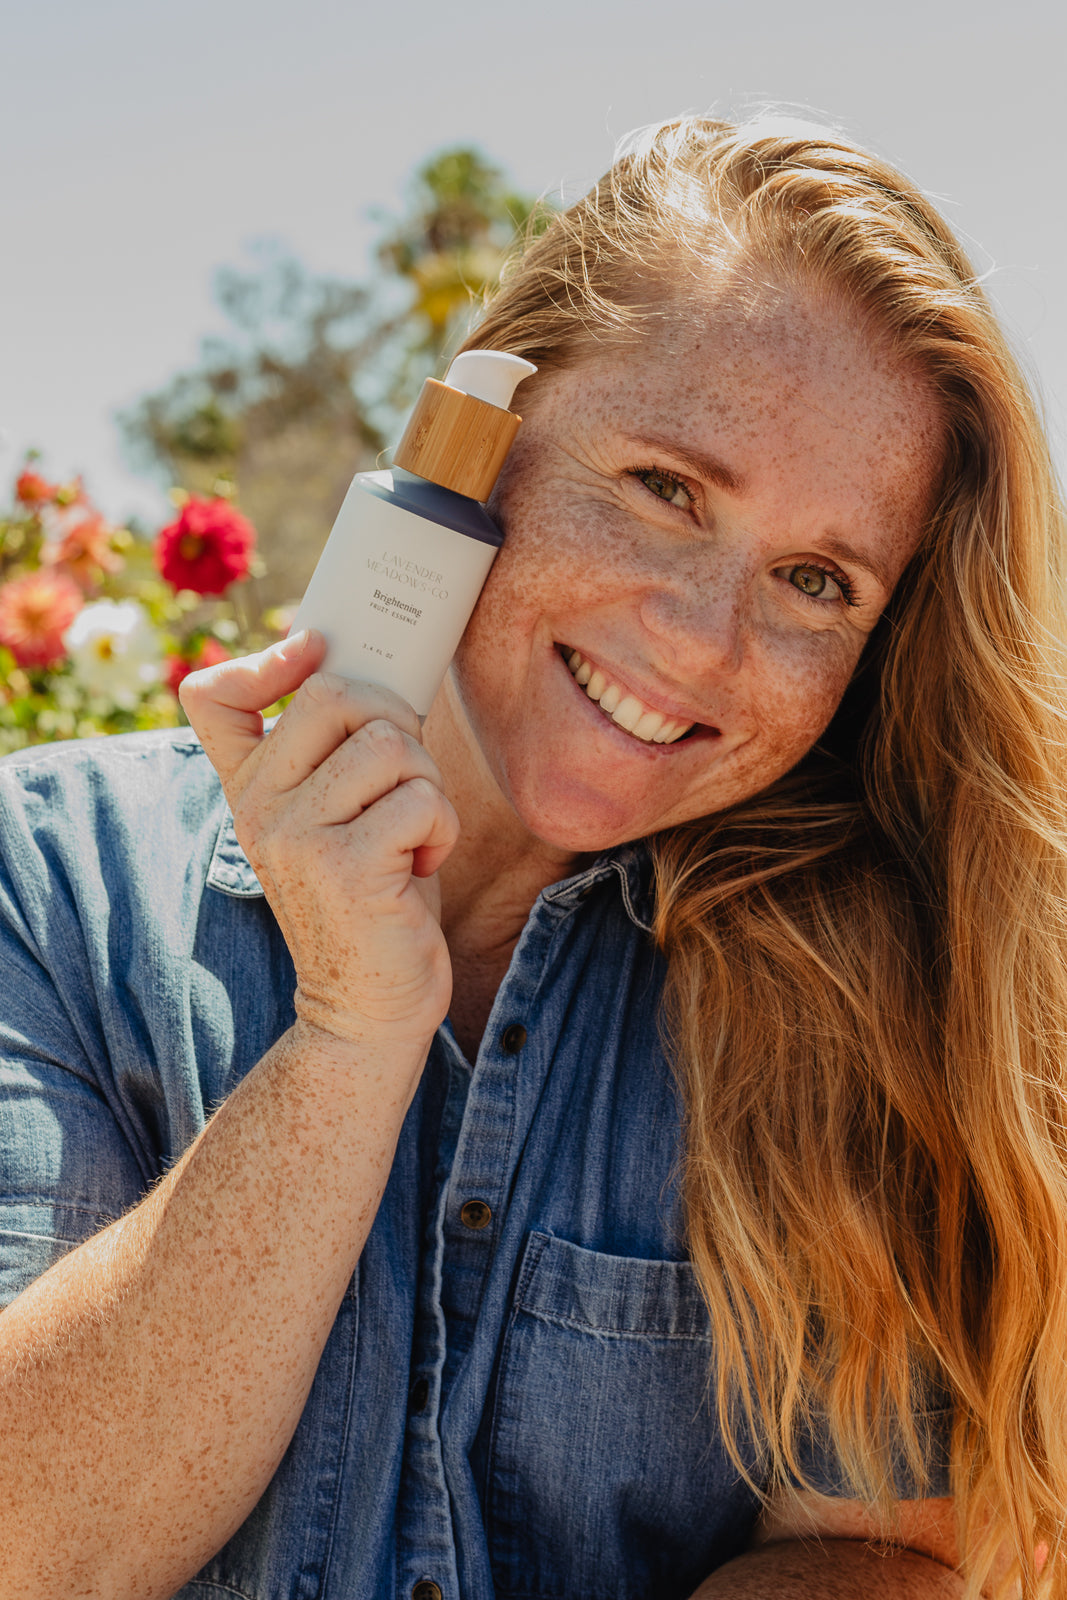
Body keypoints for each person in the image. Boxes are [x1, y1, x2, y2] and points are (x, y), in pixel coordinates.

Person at [0, 114, 1064, 1600]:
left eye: (816, 580)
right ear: (486, 427)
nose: (702, 640)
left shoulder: (857, 987)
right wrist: (349, 1039)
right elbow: (35, 1548)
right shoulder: (57, 877)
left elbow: (877, 1553)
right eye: (664, 487)